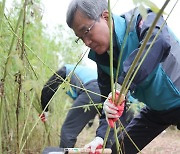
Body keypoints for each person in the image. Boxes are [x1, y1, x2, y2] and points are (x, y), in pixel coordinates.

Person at [66, 0, 180, 153]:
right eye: (80, 38)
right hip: (156, 110)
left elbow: (158, 42)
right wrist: (101, 138)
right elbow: (112, 105)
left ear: (105, 17)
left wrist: (121, 87)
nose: (86, 42)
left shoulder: (142, 18)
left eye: (86, 31)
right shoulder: (103, 59)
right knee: (119, 150)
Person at [40, 64, 102, 148]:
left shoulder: (65, 70)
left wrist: (45, 110)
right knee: (105, 132)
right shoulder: (83, 73)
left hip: (91, 88)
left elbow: (47, 89)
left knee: (68, 131)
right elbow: (87, 109)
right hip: (105, 92)